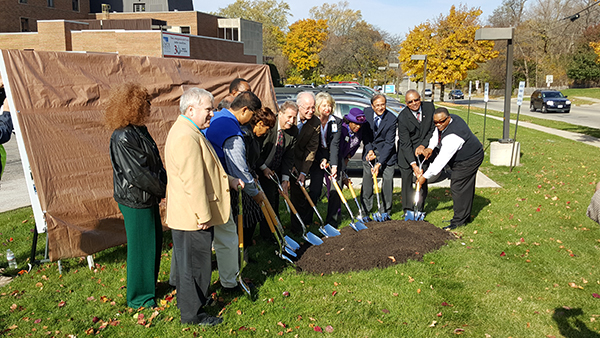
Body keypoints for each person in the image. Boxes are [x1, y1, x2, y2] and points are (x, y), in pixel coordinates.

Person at [165, 87, 242, 325]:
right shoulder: (187, 136)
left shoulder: (190, 130)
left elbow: (207, 170)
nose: (212, 113)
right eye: (208, 109)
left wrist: (228, 180)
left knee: (191, 264)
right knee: (195, 266)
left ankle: (192, 302)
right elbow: (193, 180)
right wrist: (202, 214)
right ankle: (193, 315)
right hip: (193, 216)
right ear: (191, 109)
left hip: (191, 213)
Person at [105, 83, 166, 309]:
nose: (149, 107)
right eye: (146, 103)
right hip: (136, 200)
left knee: (154, 242)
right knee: (141, 247)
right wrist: (164, 188)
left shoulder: (140, 130)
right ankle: (139, 298)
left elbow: (154, 163)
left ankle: (148, 286)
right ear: (135, 105)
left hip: (147, 196)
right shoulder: (122, 136)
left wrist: (164, 181)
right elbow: (137, 173)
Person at [203, 91, 266, 291]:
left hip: (203, 183)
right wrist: (256, 193)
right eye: (252, 115)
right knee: (228, 236)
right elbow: (239, 170)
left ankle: (177, 280)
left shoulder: (218, 116)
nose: (253, 121)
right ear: (244, 109)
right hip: (217, 187)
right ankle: (230, 282)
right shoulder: (232, 132)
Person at [417, 107, 484, 231]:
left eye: (441, 122)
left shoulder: (453, 137)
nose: (438, 125)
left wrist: (424, 177)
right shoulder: (446, 122)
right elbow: (436, 134)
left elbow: (440, 163)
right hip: (462, 157)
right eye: (435, 122)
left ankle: (458, 221)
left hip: (470, 158)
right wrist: (431, 147)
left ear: (448, 118)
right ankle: (465, 216)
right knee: (465, 187)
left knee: (458, 186)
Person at [257, 101, 298, 238]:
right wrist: (263, 168)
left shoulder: (293, 131)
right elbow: (256, 151)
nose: (292, 121)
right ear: (280, 113)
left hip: (275, 171)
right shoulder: (269, 125)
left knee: (273, 200)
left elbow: (288, 157)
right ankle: (264, 235)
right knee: (263, 201)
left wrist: (285, 179)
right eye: (289, 117)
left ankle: (272, 234)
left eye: (294, 117)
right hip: (259, 168)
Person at [240, 107, 276, 249]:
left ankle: (247, 246)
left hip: (252, 177)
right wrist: (251, 174)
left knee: (254, 216)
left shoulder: (256, 138)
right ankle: (242, 250)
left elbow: (255, 159)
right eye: (267, 128)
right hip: (244, 181)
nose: (267, 132)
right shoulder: (246, 136)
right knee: (247, 218)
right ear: (259, 123)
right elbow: (243, 160)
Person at [397, 89, 436, 216]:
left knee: (422, 179)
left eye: (416, 100)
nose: (414, 103)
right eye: (410, 102)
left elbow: (432, 130)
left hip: (423, 151)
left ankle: (419, 208)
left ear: (420, 98)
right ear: (406, 103)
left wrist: (423, 145)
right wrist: (413, 165)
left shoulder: (429, 108)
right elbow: (405, 143)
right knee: (407, 181)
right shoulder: (403, 117)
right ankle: (407, 209)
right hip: (406, 153)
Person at [361, 94, 397, 218]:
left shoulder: (392, 119)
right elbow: (365, 135)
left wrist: (379, 163)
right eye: (377, 105)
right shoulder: (366, 113)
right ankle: (365, 210)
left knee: (387, 182)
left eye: (383, 104)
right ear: (372, 106)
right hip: (370, 151)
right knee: (367, 182)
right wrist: (369, 150)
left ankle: (385, 211)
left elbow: (389, 143)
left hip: (387, 153)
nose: (380, 108)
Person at [290, 91, 320, 235]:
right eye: (307, 108)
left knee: (298, 195)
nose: (311, 111)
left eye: (313, 107)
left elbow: (312, 149)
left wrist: (303, 172)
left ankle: (297, 229)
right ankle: (270, 232)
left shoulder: (315, 123)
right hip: (282, 157)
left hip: (300, 160)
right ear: (298, 107)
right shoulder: (290, 117)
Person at [310, 92, 342, 227]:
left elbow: (335, 144)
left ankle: (333, 220)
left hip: (332, 154)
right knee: (315, 190)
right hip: (316, 154)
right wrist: (321, 159)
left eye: (329, 105)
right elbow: (313, 144)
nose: (327, 109)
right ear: (317, 106)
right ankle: (308, 220)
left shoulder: (336, 122)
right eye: (324, 105)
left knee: (335, 188)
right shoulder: (312, 122)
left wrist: (333, 165)